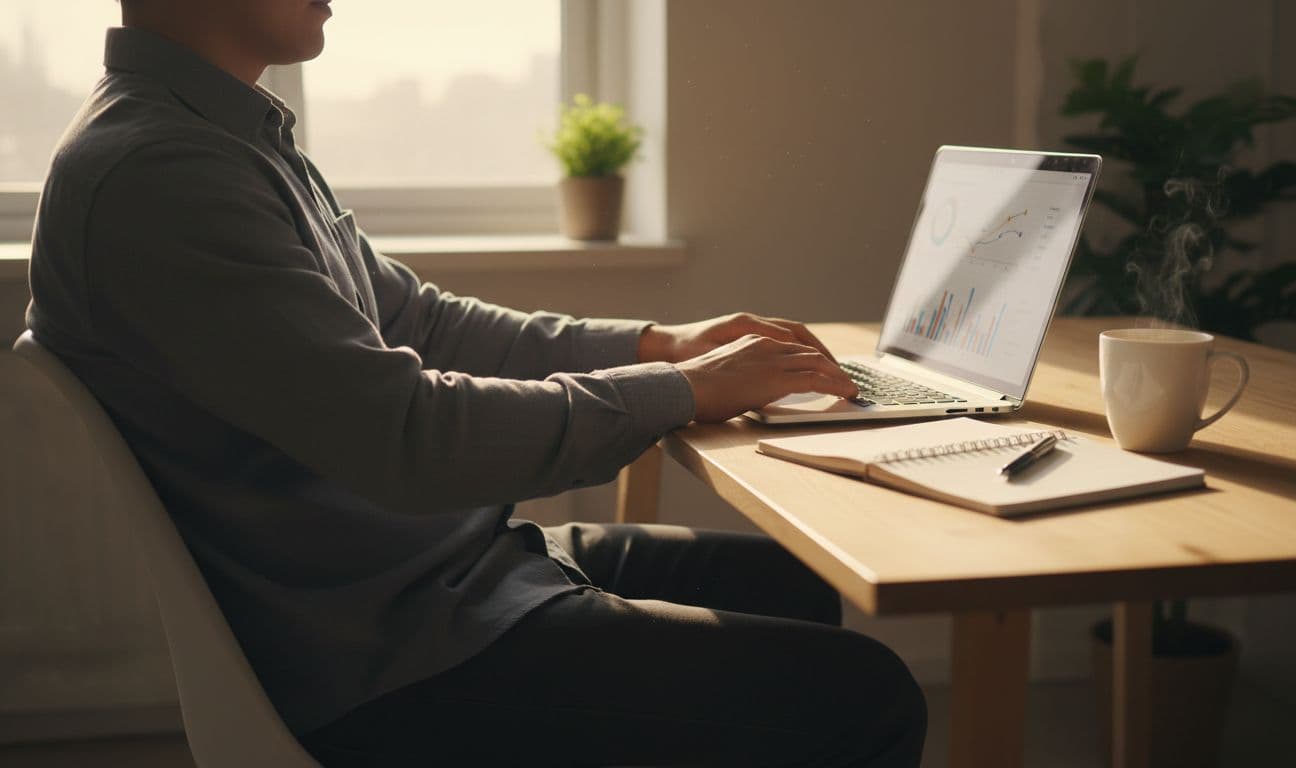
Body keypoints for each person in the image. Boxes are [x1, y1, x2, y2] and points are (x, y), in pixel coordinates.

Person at [26, 0, 926, 764]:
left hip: (438, 581)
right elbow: (410, 439)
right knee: (868, 696)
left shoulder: (221, 133)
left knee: (793, 584)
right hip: (394, 653)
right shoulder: (163, 171)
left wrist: (660, 344)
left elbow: (421, 323)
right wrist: (687, 391)